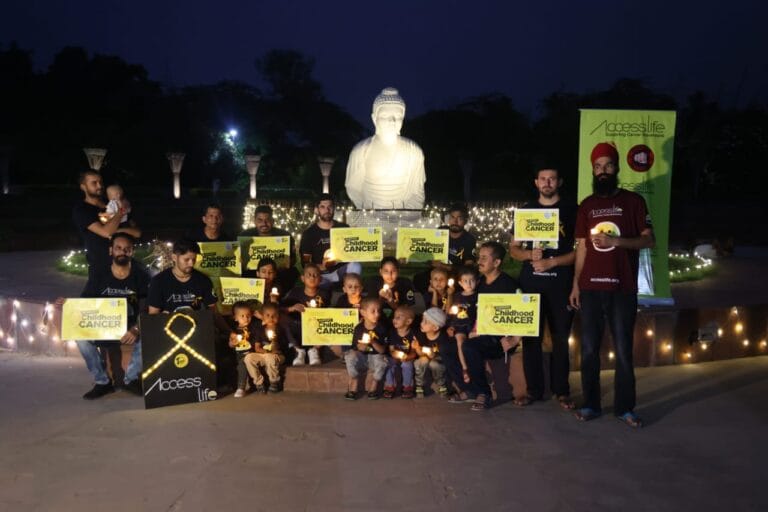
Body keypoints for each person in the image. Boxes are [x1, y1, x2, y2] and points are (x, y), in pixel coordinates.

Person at [569, 142, 655, 428]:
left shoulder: (634, 202)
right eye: (597, 167)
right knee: (589, 351)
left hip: (622, 289)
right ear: (593, 171)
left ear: (616, 168)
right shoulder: (587, 205)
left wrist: (615, 241)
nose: (602, 170)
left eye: (607, 165)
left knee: (623, 351)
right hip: (590, 289)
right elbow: (582, 248)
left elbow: (649, 240)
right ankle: (591, 404)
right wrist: (576, 284)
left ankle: (625, 408)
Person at [509, 163, 577, 409]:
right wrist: (529, 255)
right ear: (536, 183)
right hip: (531, 285)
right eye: (543, 178)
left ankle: (562, 391)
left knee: (561, 339)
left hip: (561, 284)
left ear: (559, 182)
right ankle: (533, 391)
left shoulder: (572, 210)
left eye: (552, 178)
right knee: (530, 339)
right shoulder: (526, 211)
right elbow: (513, 249)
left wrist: (552, 262)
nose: (547, 182)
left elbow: (581, 251)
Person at [60, 232, 150, 399]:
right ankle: (102, 382)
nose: (123, 252)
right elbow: (85, 302)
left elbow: (147, 307)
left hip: (129, 326)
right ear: (111, 251)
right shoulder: (99, 274)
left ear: (132, 251)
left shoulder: (142, 276)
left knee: (149, 334)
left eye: (127, 249)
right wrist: (68, 304)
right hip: (102, 324)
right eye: (118, 248)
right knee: (80, 337)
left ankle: (130, 379)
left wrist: (136, 328)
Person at [462, 241, 521, 411]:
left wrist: (515, 339)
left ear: (496, 262)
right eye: (479, 257)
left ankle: (483, 393)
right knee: (454, 344)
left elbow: (524, 313)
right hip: (482, 332)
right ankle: (469, 389)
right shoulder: (479, 283)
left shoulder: (509, 285)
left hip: (501, 338)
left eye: (484, 258)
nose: (479, 261)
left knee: (470, 347)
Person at [345, 87, 426, 209]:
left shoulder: (414, 151)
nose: (392, 121)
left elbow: (417, 192)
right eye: (384, 116)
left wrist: (405, 213)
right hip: (369, 213)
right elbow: (353, 188)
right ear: (374, 119)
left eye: (398, 116)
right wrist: (367, 210)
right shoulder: (361, 150)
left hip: (405, 214)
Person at [72, 170, 141, 281]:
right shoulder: (82, 210)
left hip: (126, 264)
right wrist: (120, 212)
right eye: (94, 183)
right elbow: (106, 232)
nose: (99, 186)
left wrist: (118, 230)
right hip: (101, 267)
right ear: (83, 187)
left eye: (100, 182)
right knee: (99, 293)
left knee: (135, 291)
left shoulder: (112, 203)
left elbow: (137, 232)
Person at [299, 194, 362, 289]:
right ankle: (328, 287)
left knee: (356, 265)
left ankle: (349, 288)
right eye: (322, 207)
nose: (327, 210)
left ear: (334, 208)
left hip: (340, 270)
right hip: (321, 274)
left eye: (330, 206)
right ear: (317, 210)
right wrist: (322, 266)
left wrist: (357, 237)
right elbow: (306, 263)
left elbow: (352, 252)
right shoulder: (309, 233)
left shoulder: (343, 228)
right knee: (319, 282)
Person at [414, 203, 477, 293]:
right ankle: (433, 298)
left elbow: (469, 268)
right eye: (452, 217)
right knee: (419, 279)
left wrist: (446, 267)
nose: (455, 221)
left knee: (459, 285)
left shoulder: (469, 240)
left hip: (454, 273)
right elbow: (426, 252)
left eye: (459, 218)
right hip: (437, 271)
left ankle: (447, 299)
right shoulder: (441, 231)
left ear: (465, 221)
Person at [240, 204, 299, 291]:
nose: (264, 224)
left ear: (273, 221)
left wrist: (288, 261)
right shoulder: (245, 236)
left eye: (267, 220)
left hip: (277, 272)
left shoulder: (284, 235)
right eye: (260, 220)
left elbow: (293, 259)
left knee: (292, 272)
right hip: (253, 272)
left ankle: (281, 295)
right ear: (254, 221)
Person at [281, 263, 331, 366]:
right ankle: (299, 351)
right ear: (302, 278)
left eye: (315, 275)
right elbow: (280, 309)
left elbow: (330, 313)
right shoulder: (295, 293)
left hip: (316, 327)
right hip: (299, 325)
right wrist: (292, 308)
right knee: (284, 320)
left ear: (320, 279)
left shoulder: (324, 294)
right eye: (309, 275)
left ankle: (314, 351)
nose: (312, 277)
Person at [344, 297, 390, 400]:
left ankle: (374, 384)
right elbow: (355, 348)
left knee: (383, 360)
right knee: (349, 356)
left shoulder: (382, 328)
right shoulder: (359, 328)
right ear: (363, 313)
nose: (377, 314)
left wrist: (373, 342)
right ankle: (354, 381)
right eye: (373, 311)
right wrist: (360, 347)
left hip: (375, 358)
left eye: (378, 311)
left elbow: (382, 350)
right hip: (362, 358)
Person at [446, 266, 480, 402]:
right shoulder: (457, 296)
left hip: (473, 326)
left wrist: (476, 329)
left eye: (472, 280)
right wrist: (451, 326)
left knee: (470, 344)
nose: (469, 283)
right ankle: (465, 369)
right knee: (460, 341)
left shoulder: (478, 297)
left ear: (477, 281)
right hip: (460, 326)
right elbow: (453, 314)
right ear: (460, 283)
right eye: (465, 281)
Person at [244, 302, 286, 394]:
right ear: (262, 316)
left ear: (278, 316)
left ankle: (274, 382)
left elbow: (280, 348)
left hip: (277, 355)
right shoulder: (260, 330)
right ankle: (259, 383)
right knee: (248, 358)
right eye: (268, 315)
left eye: (274, 316)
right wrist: (266, 351)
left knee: (270, 357)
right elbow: (257, 348)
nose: (271, 318)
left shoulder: (280, 329)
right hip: (263, 354)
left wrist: (274, 341)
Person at [413, 307, 449, 398]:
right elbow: (420, 354)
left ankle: (441, 384)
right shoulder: (420, 334)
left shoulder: (443, 338)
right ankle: (419, 385)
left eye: (426, 322)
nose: (422, 323)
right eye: (422, 320)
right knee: (420, 362)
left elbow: (442, 356)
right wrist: (417, 348)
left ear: (435, 327)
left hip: (438, 359)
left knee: (435, 364)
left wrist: (432, 355)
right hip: (425, 357)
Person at [383, 305, 418, 399]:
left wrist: (407, 357)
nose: (394, 319)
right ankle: (390, 386)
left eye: (398, 317)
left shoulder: (413, 334)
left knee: (407, 365)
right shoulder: (392, 332)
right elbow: (391, 350)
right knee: (388, 363)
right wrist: (395, 355)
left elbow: (413, 352)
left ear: (408, 321)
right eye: (394, 317)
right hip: (394, 356)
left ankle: (407, 387)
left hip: (407, 357)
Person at [227, 301, 260, 397]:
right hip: (238, 354)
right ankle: (232, 385)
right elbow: (230, 344)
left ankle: (241, 388)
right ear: (235, 317)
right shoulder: (234, 331)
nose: (246, 318)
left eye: (248, 315)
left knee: (243, 363)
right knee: (231, 363)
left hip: (251, 354)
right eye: (242, 316)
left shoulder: (254, 327)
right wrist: (232, 343)